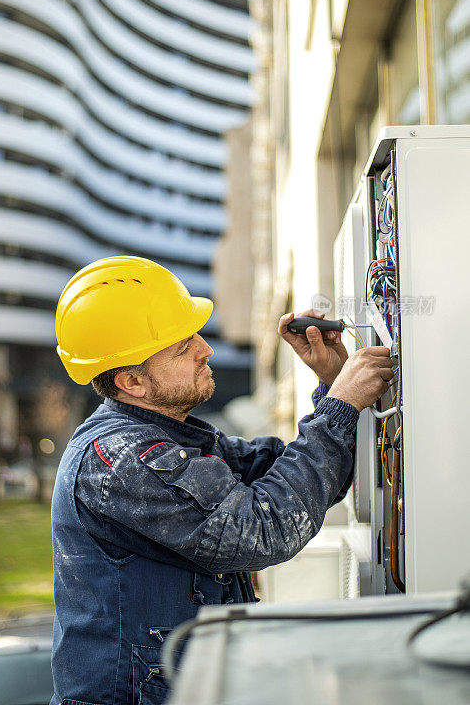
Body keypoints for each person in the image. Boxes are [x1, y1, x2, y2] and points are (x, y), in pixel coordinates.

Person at [50, 256, 393, 705]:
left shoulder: (169, 436)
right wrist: (340, 406)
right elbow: (264, 529)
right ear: (132, 381)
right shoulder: (120, 460)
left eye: (194, 334)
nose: (205, 349)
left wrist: (332, 388)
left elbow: (292, 481)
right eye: (181, 346)